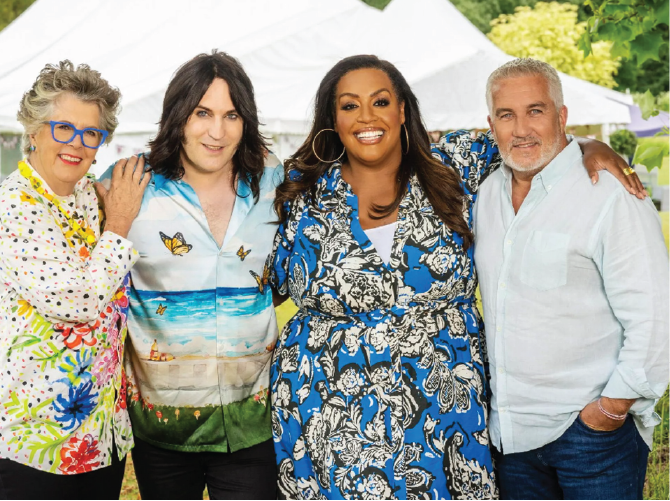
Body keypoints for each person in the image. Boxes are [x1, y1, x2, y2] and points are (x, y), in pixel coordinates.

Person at [267, 54, 643, 500]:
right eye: (349, 106)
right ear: (332, 118)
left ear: (403, 109)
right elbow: (260, 280)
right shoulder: (301, 188)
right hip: (329, 412)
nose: (366, 117)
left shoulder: (454, 163)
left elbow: (526, 134)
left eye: (380, 101)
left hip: (444, 415)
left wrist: (588, 146)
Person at [473, 58, 670, 500]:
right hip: (510, 438)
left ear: (562, 117)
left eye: (536, 111)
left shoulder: (610, 193)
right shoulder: (484, 195)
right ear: (491, 124)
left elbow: (656, 314)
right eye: (507, 115)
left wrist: (611, 410)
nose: (521, 128)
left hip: (592, 437)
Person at [98, 51, 281, 499]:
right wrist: (9, 313)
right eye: (202, 113)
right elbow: (71, 259)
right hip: (162, 424)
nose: (217, 131)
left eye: (231, 115)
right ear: (178, 115)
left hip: (253, 421)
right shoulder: (126, 183)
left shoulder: (275, 180)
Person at [0, 61, 150, 499]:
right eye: (63, 128)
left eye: (91, 133)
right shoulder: (17, 203)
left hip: (96, 429)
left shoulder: (91, 195)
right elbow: (77, 301)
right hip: (31, 432)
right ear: (34, 130)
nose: (77, 143)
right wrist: (121, 223)